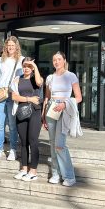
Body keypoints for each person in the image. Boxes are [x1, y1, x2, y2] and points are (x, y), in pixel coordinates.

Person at [42, 51, 82, 187]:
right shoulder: (49, 78)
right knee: (52, 143)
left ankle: (69, 176)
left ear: (64, 60)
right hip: (51, 109)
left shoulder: (71, 76)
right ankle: (55, 173)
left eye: (59, 59)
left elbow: (79, 97)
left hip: (64, 110)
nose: (57, 62)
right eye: (54, 60)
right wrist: (43, 115)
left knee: (60, 145)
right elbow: (47, 97)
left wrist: (65, 104)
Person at [0, 36, 24, 160]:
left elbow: (23, 78)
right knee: (0, 125)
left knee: (13, 125)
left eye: (12, 45)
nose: (10, 47)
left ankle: (13, 150)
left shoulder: (21, 60)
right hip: (0, 94)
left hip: (12, 95)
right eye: (8, 45)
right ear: (5, 46)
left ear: (16, 47)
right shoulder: (0, 60)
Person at [12, 57, 43, 181]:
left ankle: (33, 171)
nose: (26, 68)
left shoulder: (37, 78)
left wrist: (34, 66)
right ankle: (24, 169)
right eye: (24, 65)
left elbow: (39, 83)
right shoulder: (17, 79)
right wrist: (29, 99)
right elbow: (14, 96)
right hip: (21, 111)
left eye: (29, 66)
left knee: (33, 140)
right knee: (24, 142)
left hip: (34, 112)